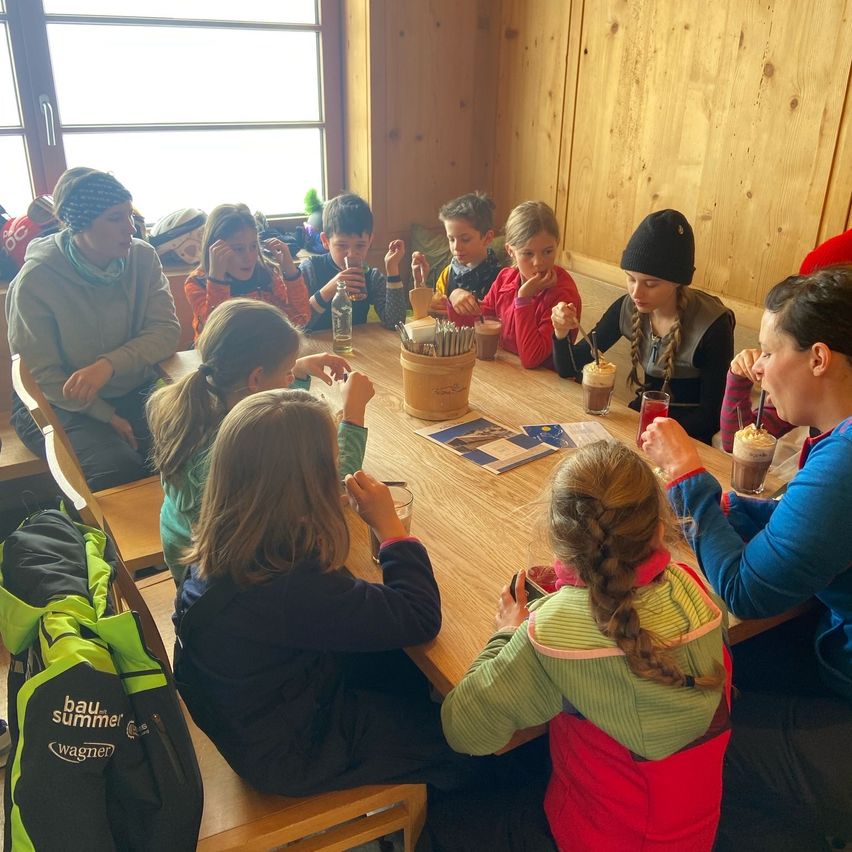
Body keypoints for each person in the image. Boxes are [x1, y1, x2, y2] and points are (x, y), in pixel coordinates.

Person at [172, 390, 477, 796]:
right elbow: (421, 616)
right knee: (467, 743)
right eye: (332, 466)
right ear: (304, 487)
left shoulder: (233, 541)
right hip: (294, 752)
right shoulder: (288, 586)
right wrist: (391, 530)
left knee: (403, 669)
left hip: (256, 712)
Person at [640, 265, 852, 850]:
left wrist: (686, 474)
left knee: (681, 729)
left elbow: (744, 590)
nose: (756, 366)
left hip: (840, 682)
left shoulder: (844, 461)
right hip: (825, 648)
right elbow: (802, 528)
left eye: (767, 350)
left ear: (817, 358)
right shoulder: (835, 440)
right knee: (705, 670)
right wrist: (725, 507)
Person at [432, 442, 730, 852]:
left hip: (590, 838)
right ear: (660, 530)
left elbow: (465, 731)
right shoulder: (698, 594)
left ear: (559, 544)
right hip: (695, 837)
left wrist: (508, 632)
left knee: (441, 819)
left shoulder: (551, 632)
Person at [147, 298, 372, 583]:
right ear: (256, 378)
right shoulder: (248, 442)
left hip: (187, 566)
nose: (291, 377)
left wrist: (297, 372)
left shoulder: (202, 401)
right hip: (230, 582)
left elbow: (271, 403)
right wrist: (353, 415)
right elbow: (328, 488)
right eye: (287, 372)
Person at [7, 167, 180, 491]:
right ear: (81, 224)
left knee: (184, 452)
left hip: (130, 388)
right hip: (55, 399)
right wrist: (105, 415)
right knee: (117, 469)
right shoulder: (37, 278)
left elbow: (166, 331)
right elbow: (40, 375)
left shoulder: (142, 257)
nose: (131, 228)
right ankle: (99, 539)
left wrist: (108, 365)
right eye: (116, 218)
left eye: (130, 214)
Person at [552, 209, 734, 444]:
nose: (636, 293)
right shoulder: (627, 307)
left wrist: (646, 430)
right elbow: (571, 367)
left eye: (650, 283)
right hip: (641, 424)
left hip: (687, 439)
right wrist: (561, 331)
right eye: (631, 278)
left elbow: (711, 416)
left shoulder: (713, 325)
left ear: (678, 281)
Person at [467, 201, 581, 368]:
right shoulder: (505, 279)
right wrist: (458, 298)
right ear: (510, 251)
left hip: (546, 385)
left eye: (548, 251)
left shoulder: (562, 294)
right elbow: (475, 327)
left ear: (557, 243)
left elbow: (531, 359)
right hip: (507, 373)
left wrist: (524, 298)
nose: (538, 262)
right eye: (528, 253)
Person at [184, 204, 309, 339]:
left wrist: (290, 272)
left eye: (253, 246)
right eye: (238, 249)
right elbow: (217, 335)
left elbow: (300, 320)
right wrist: (217, 281)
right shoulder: (197, 283)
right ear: (215, 250)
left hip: (265, 352)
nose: (249, 257)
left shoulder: (267, 275)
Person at [300, 192, 408, 332]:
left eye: (360, 245)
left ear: (370, 241)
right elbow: (298, 324)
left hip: (357, 348)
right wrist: (328, 290)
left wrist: (392, 269)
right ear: (325, 241)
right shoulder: (311, 269)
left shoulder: (371, 276)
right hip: (317, 349)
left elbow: (395, 323)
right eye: (342, 245)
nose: (351, 254)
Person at [410, 191, 502, 315]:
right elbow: (434, 314)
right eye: (451, 239)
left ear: (487, 237)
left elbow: (497, 320)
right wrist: (422, 287)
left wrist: (456, 296)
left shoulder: (501, 278)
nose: (456, 247)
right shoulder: (447, 274)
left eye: (465, 239)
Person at [718, 347, 794, 452]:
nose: (755, 368)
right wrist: (739, 377)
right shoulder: (793, 405)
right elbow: (736, 443)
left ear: (818, 360)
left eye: (768, 354)